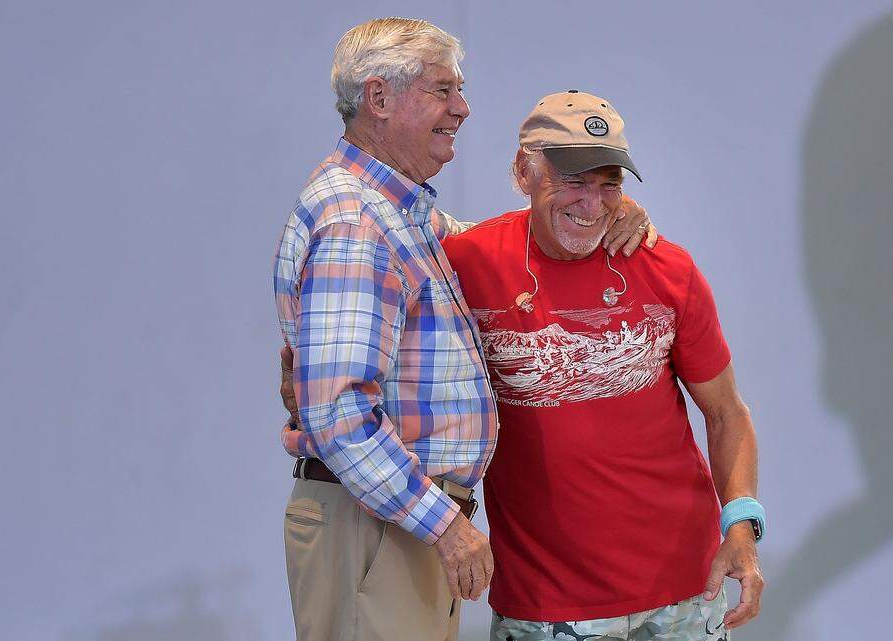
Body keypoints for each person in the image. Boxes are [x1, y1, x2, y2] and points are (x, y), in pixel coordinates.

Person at [273, 19, 655, 641]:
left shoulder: (401, 210)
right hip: (381, 529)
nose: (463, 108)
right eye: (442, 91)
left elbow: (501, 241)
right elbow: (339, 415)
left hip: (393, 523)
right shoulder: (356, 222)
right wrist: (445, 527)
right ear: (379, 98)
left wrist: (601, 204)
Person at [439, 91, 765, 640]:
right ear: (524, 171)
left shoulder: (668, 267)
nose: (593, 205)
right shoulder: (465, 263)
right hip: (547, 604)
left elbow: (727, 413)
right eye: (573, 180)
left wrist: (741, 525)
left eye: (608, 183)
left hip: (686, 591)